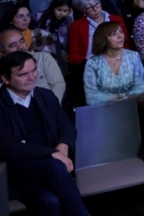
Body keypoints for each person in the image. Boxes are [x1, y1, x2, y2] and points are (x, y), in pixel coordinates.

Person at [0, 51, 91, 216]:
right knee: (53, 171)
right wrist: (53, 154)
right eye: (23, 74)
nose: (32, 77)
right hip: (16, 173)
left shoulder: (45, 95)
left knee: (50, 201)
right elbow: (7, 148)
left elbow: (67, 127)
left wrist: (62, 147)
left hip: (51, 170)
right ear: (5, 79)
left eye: (33, 70)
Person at [82, 20, 144, 105]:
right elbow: (91, 97)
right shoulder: (92, 63)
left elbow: (142, 88)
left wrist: (124, 99)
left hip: (132, 107)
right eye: (114, 34)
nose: (120, 36)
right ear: (103, 39)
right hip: (104, 110)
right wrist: (117, 98)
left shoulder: (133, 56)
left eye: (121, 31)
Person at [0, 29, 67, 102]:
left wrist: (51, 104)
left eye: (22, 41)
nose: (20, 47)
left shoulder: (43, 58)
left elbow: (58, 83)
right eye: (13, 45)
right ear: (2, 52)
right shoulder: (3, 69)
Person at [68, 0, 131, 65]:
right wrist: (89, 63)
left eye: (97, 4)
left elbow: (126, 43)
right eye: (90, 8)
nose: (95, 9)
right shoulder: (76, 27)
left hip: (118, 61)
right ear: (83, 11)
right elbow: (73, 55)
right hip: (91, 64)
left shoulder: (117, 19)